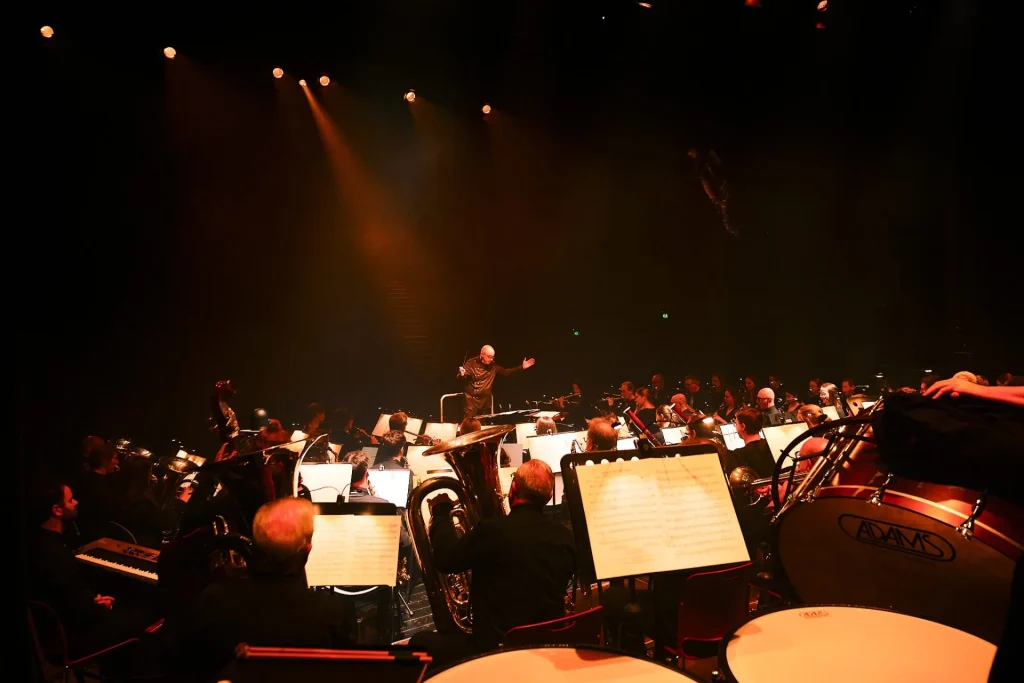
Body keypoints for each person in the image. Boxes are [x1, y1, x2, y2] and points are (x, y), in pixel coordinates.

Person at [409, 459, 575, 667]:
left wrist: (441, 513)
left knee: (419, 642)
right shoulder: (565, 536)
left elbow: (445, 559)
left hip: (496, 650)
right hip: (547, 646)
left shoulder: (491, 531)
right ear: (549, 496)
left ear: (513, 489)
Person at [164, 497, 353, 679]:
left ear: (255, 544)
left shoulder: (212, 600)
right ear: (308, 549)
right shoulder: (333, 612)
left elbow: (180, 662)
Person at [457, 345, 536, 418]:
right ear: (482, 354)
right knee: (470, 427)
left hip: (485, 403)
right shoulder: (471, 363)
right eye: (489, 357)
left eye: (493, 357)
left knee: (485, 427)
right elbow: (463, 376)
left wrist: (522, 367)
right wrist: (462, 374)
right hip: (471, 404)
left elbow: (506, 372)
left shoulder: (493, 366)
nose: (491, 359)